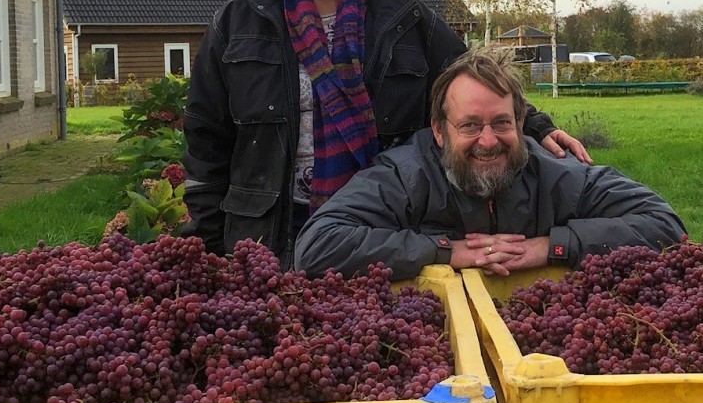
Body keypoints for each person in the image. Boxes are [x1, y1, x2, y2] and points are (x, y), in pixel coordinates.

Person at [182, 0, 589, 267]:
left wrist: (536, 125)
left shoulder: (403, 16)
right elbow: (206, 138)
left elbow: (473, 79)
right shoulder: (239, 21)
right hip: (266, 233)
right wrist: (210, 247)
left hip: (382, 227)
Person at [294, 46, 686, 280]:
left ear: (520, 122)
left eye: (501, 123)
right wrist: (445, 250)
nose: (488, 141)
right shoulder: (405, 176)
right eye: (469, 125)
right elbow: (317, 245)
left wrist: (550, 246)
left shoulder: (560, 176)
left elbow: (665, 226)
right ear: (439, 130)